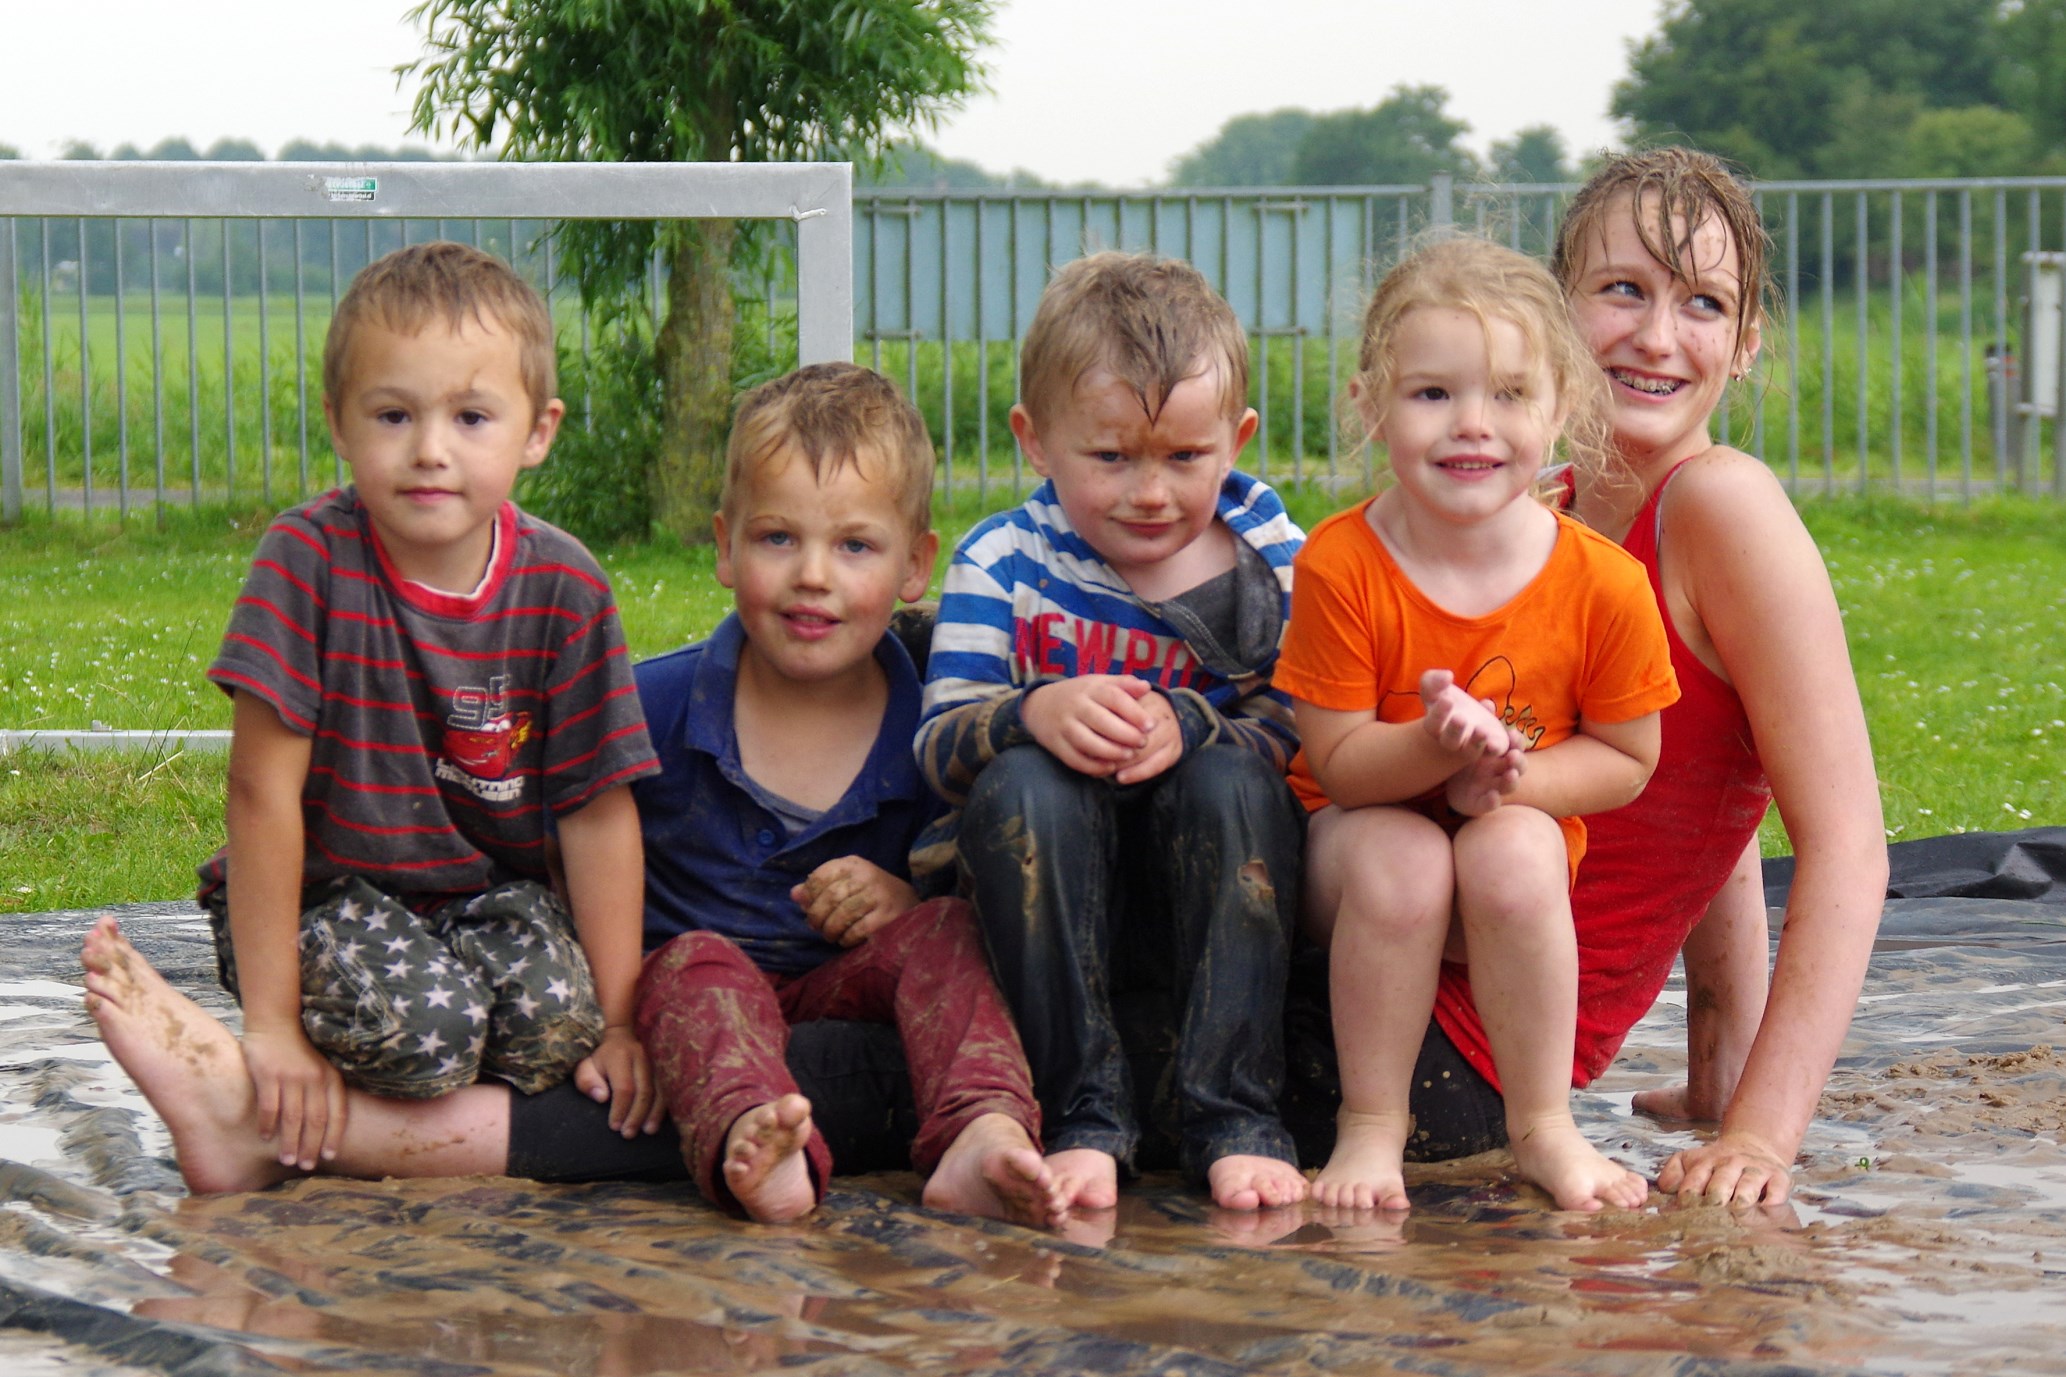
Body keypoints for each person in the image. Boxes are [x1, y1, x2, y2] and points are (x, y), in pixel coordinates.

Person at [187, 239, 662, 1179]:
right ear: (339, 421)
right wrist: (274, 1025)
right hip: (327, 896)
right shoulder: (307, 561)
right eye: (395, 414)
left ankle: (378, 1102)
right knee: (429, 1035)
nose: (430, 450)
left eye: (472, 416)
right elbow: (259, 793)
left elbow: (598, 812)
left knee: (558, 1038)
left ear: (538, 431)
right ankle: (255, 1089)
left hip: (489, 899)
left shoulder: (566, 587)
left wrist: (620, 1022)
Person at [1278, 236, 1678, 1214]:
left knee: (1512, 850)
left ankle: (1542, 1125)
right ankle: (1371, 1125)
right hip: (1356, 843)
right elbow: (1334, 763)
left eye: (1507, 395)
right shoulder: (1339, 565)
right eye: (1431, 395)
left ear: (1559, 409)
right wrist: (1431, 748)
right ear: (1370, 403)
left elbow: (1629, 760)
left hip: (1502, 854)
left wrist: (1505, 781)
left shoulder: (1603, 583)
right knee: (1403, 858)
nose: (1472, 425)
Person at [630, 362, 1067, 1228]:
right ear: (723, 545)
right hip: (705, 990)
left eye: (856, 546)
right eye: (777, 538)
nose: (813, 576)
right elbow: (577, 852)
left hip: (848, 985)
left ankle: (981, 1129)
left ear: (916, 564)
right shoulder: (654, 707)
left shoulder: (936, 731)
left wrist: (907, 897)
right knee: (692, 964)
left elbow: (971, 878)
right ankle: (758, 1136)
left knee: (944, 929)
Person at [917, 251, 1310, 1214]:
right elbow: (933, 748)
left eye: (1185, 458)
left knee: (1235, 781)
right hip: (1048, 897)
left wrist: (1198, 721)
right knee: (1024, 783)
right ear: (1035, 439)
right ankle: (1081, 1112)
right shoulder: (1004, 562)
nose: (1151, 493)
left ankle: (1234, 1114)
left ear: (1238, 438)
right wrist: (1028, 713)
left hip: (1207, 892)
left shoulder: (1272, 560)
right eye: (1111, 458)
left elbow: (1302, 730)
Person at [1553, 148, 1886, 1206]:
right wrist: (1716, 1069)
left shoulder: (1718, 508)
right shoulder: (1539, 505)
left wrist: (1759, 1134)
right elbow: (1703, 774)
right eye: (1621, 291)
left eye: (1701, 303)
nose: (1656, 337)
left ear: (1743, 345)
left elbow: (1846, 846)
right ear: (1552, 306)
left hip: (1473, 1043)